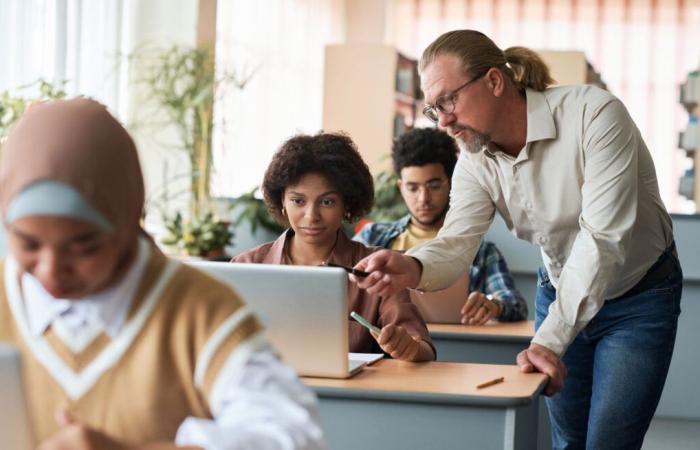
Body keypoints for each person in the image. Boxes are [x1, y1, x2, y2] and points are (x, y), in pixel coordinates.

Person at [352, 30, 681, 450]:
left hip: (639, 297)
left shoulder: (594, 115)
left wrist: (547, 341)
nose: (444, 121)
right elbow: (456, 243)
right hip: (560, 290)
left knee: (609, 442)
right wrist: (413, 266)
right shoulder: (474, 159)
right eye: (434, 110)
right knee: (568, 441)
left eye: (448, 101)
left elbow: (601, 240)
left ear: (494, 81)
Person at [0, 99, 325, 450]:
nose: (51, 270)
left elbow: (294, 438)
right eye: (27, 243)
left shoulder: (197, 310)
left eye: (83, 247)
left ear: (126, 221)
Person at [232, 132, 435, 362]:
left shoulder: (376, 269)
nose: (312, 216)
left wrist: (408, 348)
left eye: (327, 202)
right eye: (298, 201)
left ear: (347, 204)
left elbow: (423, 349)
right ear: (282, 202)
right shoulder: (246, 266)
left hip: (349, 396)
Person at [354, 127, 527, 324]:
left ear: (452, 183)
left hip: (454, 347)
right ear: (401, 188)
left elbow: (515, 304)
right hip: (383, 344)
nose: (423, 199)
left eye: (434, 186)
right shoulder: (371, 238)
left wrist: (493, 305)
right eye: (413, 188)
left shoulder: (481, 252)